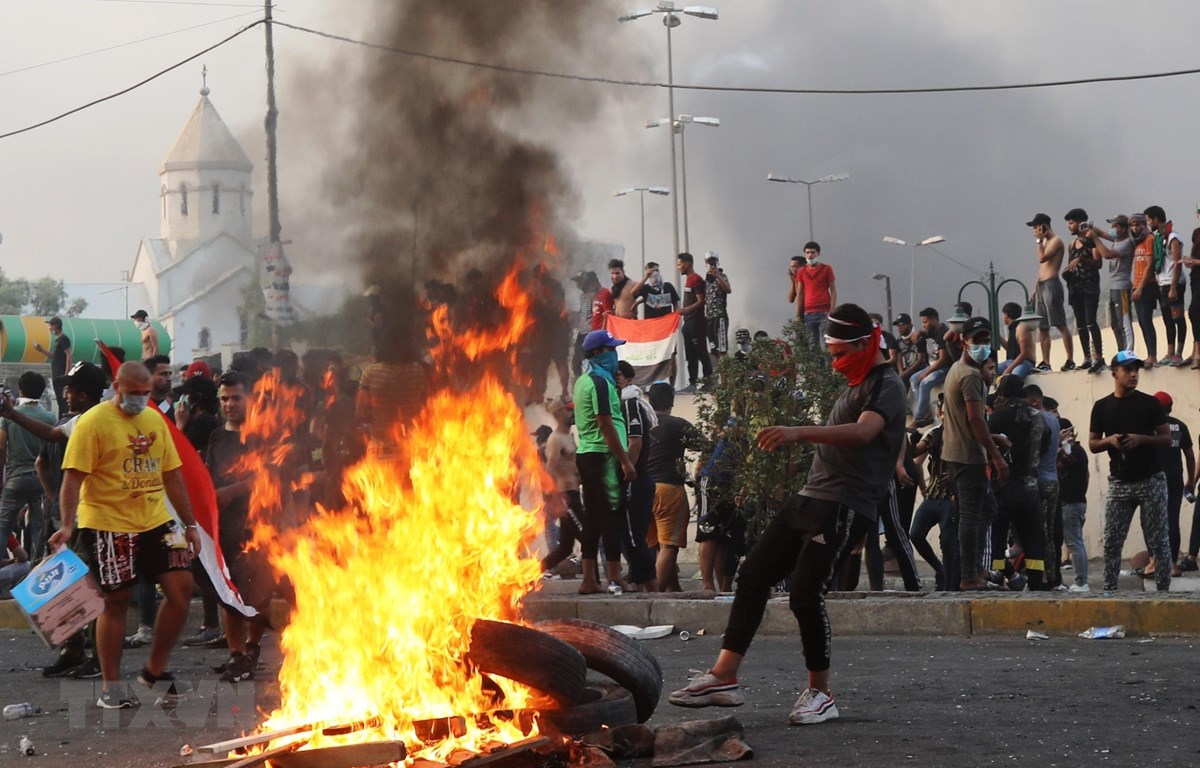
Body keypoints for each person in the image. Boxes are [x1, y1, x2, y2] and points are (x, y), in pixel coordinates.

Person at [668, 304, 905, 726]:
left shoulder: (886, 384)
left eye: (839, 353)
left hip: (844, 504)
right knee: (753, 574)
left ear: (865, 344)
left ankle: (821, 693)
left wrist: (799, 431)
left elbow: (866, 431)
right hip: (809, 498)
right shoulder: (855, 384)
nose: (834, 362)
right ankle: (724, 676)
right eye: (829, 353)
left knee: (804, 594)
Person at [45, 361, 200, 708]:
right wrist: (68, 525)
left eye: (145, 394)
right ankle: (111, 689)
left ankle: (153, 671)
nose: (140, 400)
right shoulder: (93, 423)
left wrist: (189, 525)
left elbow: (173, 475)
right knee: (116, 601)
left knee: (181, 588)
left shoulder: (154, 419)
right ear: (117, 386)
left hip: (155, 519)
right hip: (107, 522)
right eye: (133, 394)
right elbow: (72, 479)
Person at [35, 362, 107, 678]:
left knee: (89, 586)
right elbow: (51, 434)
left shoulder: (99, 422)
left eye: (69, 390)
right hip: (77, 518)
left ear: (82, 394)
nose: (65, 394)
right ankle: (74, 649)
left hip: (96, 518)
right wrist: (11, 414)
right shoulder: (78, 420)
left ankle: (95, 657)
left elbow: (70, 470)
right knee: (67, 583)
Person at [206, 371, 274, 682]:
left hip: (259, 522)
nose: (229, 404)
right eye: (224, 399)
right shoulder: (218, 436)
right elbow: (208, 472)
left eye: (235, 398)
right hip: (224, 525)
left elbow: (267, 477)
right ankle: (236, 654)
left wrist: (230, 493)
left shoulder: (262, 434)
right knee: (228, 591)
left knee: (258, 591)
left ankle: (252, 647)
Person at [1088, 351, 1172, 592]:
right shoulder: (1102, 406)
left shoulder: (1150, 403)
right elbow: (1093, 444)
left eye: (1136, 369)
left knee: (1159, 541)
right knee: (1112, 541)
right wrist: (1110, 441)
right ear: (1114, 373)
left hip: (1151, 480)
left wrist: (1141, 439)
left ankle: (1163, 592)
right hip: (1119, 482)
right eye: (1128, 369)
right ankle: (1109, 590)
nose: (1134, 374)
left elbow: (1167, 438)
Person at [941, 317, 1009, 590]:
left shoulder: (957, 369)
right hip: (969, 456)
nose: (982, 345)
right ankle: (970, 575)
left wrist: (994, 440)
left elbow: (962, 419)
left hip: (959, 452)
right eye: (976, 341)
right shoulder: (970, 376)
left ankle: (976, 569)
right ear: (963, 342)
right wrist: (996, 455)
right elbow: (975, 420)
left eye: (985, 340)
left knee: (986, 509)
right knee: (972, 514)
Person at [573, 329, 637, 595]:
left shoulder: (584, 381)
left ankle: (590, 579)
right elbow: (605, 423)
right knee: (612, 517)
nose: (615, 354)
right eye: (611, 349)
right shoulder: (599, 383)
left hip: (589, 454)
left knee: (594, 518)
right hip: (604, 457)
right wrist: (625, 461)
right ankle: (613, 576)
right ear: (598, 353)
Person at [987, 375, 1049, 590]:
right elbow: (1045, 446)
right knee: (1033, 541)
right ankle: (1035, 584)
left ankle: (1007, 576)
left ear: (1002, 395)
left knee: (997, 542)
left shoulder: (996, 417)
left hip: (1003, 488)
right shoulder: (1039, 418)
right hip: (1030, 488)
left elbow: (986, 447)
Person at [645, 382, 697, 593]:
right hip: (668, 489)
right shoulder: (677, 424)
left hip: (643, 490)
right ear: (672, 401)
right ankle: (655, 595)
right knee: (669, 545)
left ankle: (673, 586)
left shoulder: (642, 424)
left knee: (655, 544)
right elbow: (703, 445)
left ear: (650, 401)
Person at [0, 371, 57, 559]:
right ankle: (33, 575)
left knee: (3, 529)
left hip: (16, 479)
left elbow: (1, 448)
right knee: (38, 533)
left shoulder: (9, 415)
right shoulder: (49, 418)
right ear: (42, 392)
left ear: (20, 389)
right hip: (41, 482)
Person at [615, 361, 657, 592]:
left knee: (633, 538)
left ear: (629, 379)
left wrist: (626, 468)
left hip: (635, 479)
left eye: (619, 375)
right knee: (629, 537)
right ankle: (642, 587)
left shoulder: (631, 403)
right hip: (635, 479)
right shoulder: (622, 404)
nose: (616, 379)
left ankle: (652, 589)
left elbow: (636, 442)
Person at [910, 395, 958, 591]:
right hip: (933, 496)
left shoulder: (964, 434)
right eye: (944, 412)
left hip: (952, 498)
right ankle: (941, 571)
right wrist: (910, 442)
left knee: (948, 543)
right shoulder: (934, 433)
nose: (946, 416)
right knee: (915, 534)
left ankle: (949, 584)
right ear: (940, 413)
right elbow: (916, 454)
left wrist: (955, 475)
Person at [1150, 392, 1196, 577]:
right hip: (1175, 478)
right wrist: (1191, 480)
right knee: (1172, 520)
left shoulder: (1149, 426)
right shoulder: (1181, 426)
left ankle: (1155, 561)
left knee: (1151, 521)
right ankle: (1173, 565)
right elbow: (1190, 456)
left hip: (1154, 478)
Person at [539, 401, 584, 576]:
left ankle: (530, 574)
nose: (572, 414)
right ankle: (592, 580)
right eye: (568, 411)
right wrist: (554, 498)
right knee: (588, 539)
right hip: (566, 497)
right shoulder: (556, 439)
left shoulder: (569, 436)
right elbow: (549, 470)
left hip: (574, 493)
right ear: (558, 414)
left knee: (565, 548)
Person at [1024, 384, 1062, 588]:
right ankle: (1052, 573)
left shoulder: (1036, 420)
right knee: (1050, 531)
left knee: (1041, 532)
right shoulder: (1055, 420)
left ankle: (1046, 576)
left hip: (1039, 480)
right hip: (1053, 479)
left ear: (1034, 401)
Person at [1027, 212, 1076, 371]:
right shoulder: (1046, 242)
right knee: (1043, 327)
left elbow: (1042, 258)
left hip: (1052, 285)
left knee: (1060, 323)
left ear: (1043, 227)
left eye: (1036, 228)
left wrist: (1039, 240)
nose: (1034, 231)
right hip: (1041, 286)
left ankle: (1070, 359)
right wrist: (1035, 288)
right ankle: (1046, 362)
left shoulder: (1055, 241)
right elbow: (1041, 267)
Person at [1145, 206, 1188, 366]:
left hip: (1173, 283)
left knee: (1178, 318)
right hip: (1162, 283)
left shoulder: (1173, 238)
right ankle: (1169, 353)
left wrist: (1174, 288)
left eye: (1149, 220)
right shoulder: (1158, 238)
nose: (1148, 223)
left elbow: (1177, 263)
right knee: (1167, 320)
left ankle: (1179, 353)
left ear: (1156, 219)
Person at [1062, 209, 1105, 373]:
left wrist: (1082, 260)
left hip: (1090, 285)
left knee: (1091, 321)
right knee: (1080, 324)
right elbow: (1070, 264)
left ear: (1080, 223)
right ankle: (1087, 357)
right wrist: (1068, 271)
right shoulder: (1071, 245)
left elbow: (1098, 263)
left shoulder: (1091, 240)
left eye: (1071, 223)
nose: (1069, 227)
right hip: (1075, 286)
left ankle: (1098, 357)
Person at [1092, 214, 1135, 355]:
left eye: (1115, 225)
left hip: (1122, 287)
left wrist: (1094, 238)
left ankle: (1128, 352)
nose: (1112, 228)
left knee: (1124, 322)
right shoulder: (1117, 239)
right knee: (1115, 324)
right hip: (1113, 286)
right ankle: (1121, 352)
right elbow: (1102, 233)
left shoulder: (1127, 242)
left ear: (1123, 228)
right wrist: (1090, 228)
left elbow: (1107, 254)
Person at [1057, 418, 1090, 592]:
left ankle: (1081, 582)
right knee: (1075, 542)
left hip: (1070, 503)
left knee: (1074, 543)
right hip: (1077, 502)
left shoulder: (1072, 451)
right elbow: (1086, 476)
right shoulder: (1080, 450)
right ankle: (1080, 581)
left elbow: (1059, 467)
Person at [790, 242, 837, 352]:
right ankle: (818, 369)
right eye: (807, 252)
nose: (810, 255)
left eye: (812, 252)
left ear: (818, 253)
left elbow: (833, 290)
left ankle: (830, 368)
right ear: (805, 254)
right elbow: (800, 293)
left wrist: (832, 310)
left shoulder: (827, 268)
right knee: (813, 345)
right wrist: (798, 315)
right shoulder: (801, 271)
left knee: (828, 343)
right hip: (808, 312)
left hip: (824, 311)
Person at [570, 271, 613, 381]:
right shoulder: (582, 296)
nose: (577, 285)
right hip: (581, 333)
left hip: (590, 333)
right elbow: (583, 314)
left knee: (587, 362)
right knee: (576, 363)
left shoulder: (596, 296)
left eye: (579, 282)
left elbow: (603, 314)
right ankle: (582, 383)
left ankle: (590, 384)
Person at [911, 307, 950, 428]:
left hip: (946, 367)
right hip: (938, 366)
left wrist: (927, 371)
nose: (924, 325)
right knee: (913, 379)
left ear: (934, 320)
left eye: (925, 322)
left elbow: (943, 359)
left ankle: (917, 418)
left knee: (924, 383)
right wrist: (918, 332)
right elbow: (924, 333)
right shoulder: (933, 331)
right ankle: (926, 412)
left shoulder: (943, 333)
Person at [677, 253, 711, 391]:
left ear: (688, 264)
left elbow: (701, 301)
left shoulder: (696, 279)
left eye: (680, 264)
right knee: (690, 354)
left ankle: (709, 381)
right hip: (688, 322)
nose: (678, 267)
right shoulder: (688, 280)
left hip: (696, 321)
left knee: (701, 351)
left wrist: (686, 310)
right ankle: (692, 383)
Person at [1129, 213, 1159, 366]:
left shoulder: (1149, 239)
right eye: (1132, 225)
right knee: (1141, 321)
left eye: (1138, 225)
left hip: (1147, 285)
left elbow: (1150, 265)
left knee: (1146, 320)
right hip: (1136, 284)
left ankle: (1153, 355)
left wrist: (1140, 288)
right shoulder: (1136, 242)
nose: (1135, 228)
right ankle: (1149, 355)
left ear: (1143, 224)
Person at [34, 316, 71, 415]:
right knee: (59, 400)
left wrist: (66, 373)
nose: (49, 328)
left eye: (50, 326)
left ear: (56, 326)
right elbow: (55, 356)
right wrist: (41, 350)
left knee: (63, 401)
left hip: (61, 374)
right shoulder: (57, 340)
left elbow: (68, 354)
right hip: (56, 374)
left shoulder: (64, 339)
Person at [703, 252, 732, 363]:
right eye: (709, 261)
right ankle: (717, 375)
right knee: (713, 349)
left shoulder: (722, 276)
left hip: (720, 316)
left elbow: (728, 290)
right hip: (709, 319)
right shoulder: (706, 281)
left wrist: (718, 276)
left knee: (722, 349)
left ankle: (725, 376)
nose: (711, 263)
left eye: (713, 261)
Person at [997, 302, 1036, 379]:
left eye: (1003, 314)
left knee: (1012, 379)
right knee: (992, 372)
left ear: (1006, 314)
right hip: (1011, 361)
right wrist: (998, 336)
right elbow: (1010, 348)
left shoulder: (1021, 328)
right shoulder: (1012, 328)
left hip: (1025, 362)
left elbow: (1024, 354)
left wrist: (1008, 370)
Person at [892, 313, 924, 390]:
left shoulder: (918, 338)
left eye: (902, 324)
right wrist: (900, 371)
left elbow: (920, 360)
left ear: (909, 325)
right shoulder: (898, 341)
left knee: (907, 379)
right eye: (897, 325)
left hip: (921, 368)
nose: (899, 327)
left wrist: (905, 373)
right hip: (907, 370)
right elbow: (899, 359)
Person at [1189, 204, 1200, 368]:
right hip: (1196, 277)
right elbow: (1193, 252)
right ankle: (1195, 351)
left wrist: (1195, 261)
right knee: (1194, 312)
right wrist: (1190, 261)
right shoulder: (1197, 233)